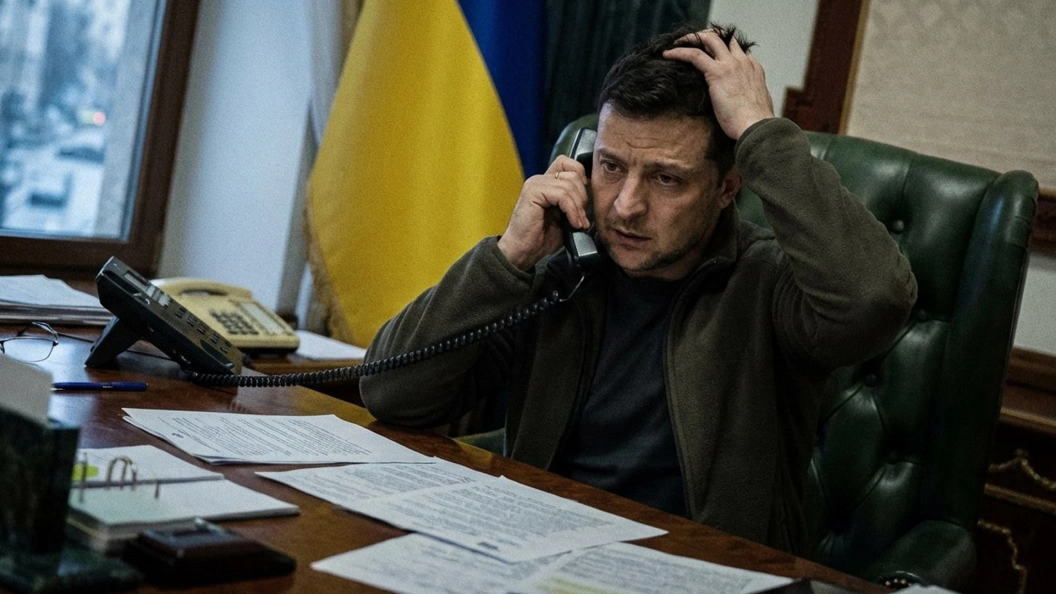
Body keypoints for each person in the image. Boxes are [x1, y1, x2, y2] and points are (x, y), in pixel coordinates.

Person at [360, 24, 917, 555]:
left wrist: (759, 131)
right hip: (536, 551)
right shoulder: (563, 272)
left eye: (665, 178)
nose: (626, 206)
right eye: (610, 167)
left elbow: (874, 299)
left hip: (702, 571)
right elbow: (392, 394)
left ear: (727, 187)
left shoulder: (768, 284)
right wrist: (509, 257)